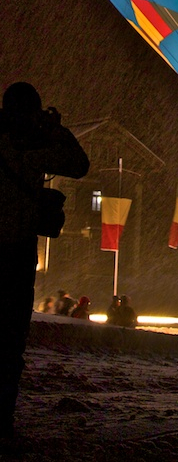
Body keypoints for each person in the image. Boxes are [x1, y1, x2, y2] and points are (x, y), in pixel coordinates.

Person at [0, 82, 89, 442]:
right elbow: (79, 165)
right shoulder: (38, 147)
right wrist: (55, 129)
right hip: (18, 253)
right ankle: (2, 422)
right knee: (9, 344)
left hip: (12, 252)